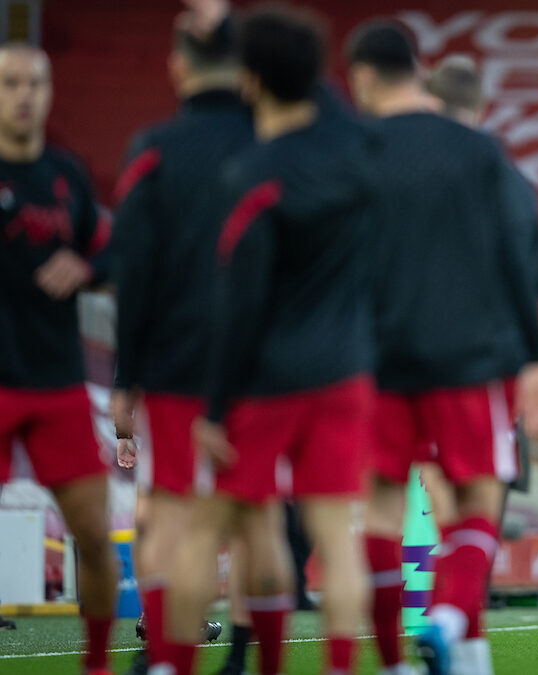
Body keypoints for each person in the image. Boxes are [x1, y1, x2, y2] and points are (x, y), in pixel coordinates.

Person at [161, 6, 380, 674]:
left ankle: (171, 664)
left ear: (250, 81)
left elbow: (239, 304)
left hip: (266, 381)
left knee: (208, 531)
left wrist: (217, 409)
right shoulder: (354, 156)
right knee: (335, 541)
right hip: (345, 373)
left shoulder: (251, 176)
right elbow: (337, 107)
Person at [345, 20, 538, 675]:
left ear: (361, 77)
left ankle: (391, 661)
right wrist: (535, 355)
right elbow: (515, 267)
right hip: (467, 358)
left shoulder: (353, 149)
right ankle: (448, 619)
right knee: (477, 499)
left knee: (381, 507)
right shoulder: (480, 154)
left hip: (376, 357)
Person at [110, 4, 244, 671]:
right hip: (259, 367)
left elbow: (132, 271)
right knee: (252, 518)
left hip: (175, 360)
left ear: (175, 66)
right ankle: (249, 652)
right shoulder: (267, 144)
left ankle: (162, 654)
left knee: (167, 511)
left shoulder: (154, 150)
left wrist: (124, 376)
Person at [0, 42, 117, 675]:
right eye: (10, 82)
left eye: (35, 83)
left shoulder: (69, 177)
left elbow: (116, 249)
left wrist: (90, 265)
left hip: (56, 384)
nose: (23, 94)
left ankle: (96, 663)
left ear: (49, 92)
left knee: (95, 539)